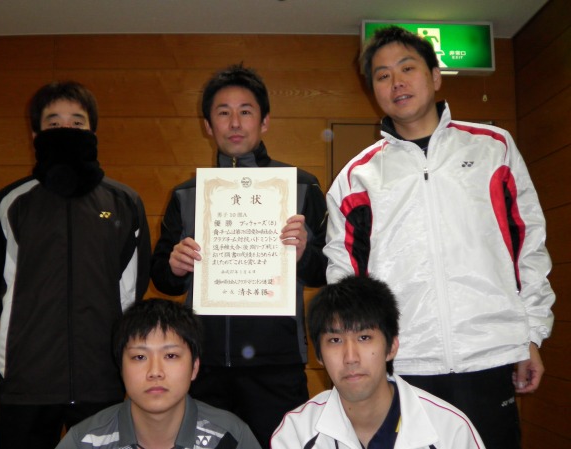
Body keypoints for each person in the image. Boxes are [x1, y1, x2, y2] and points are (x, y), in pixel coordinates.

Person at [323, 26, 555, 449]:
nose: (396, 82)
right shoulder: (357, 178)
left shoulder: (493, 149)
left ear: (434, 76)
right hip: (404, 364)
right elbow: (345, 282)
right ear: (373, 90)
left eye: (407, 68)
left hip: (491, 353)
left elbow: (528, 246)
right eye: (382, 75)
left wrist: (530, 335)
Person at [150, 63, 328, 447]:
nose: (234, 123)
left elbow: (326, 272)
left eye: (245, 111)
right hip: (204, 365)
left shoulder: (301, 186)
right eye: (223, 112)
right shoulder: (187, 194)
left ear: (264, 121)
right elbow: (162, 279)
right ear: (207, 125)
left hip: (277, 364)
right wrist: (175, 266)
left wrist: (304, 253)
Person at [0, 81, 152, 449]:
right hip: (27, 379)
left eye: (77, 122)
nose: (66, 130)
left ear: (93, 131)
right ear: (35, 133)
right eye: (54, 123)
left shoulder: (124, 202)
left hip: (100, 377)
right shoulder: (10, 202)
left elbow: (130, 291)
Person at [271, 275, 486, 449]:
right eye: (335, 340)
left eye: (364, 337)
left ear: (391, 347)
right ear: (318, 355)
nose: (350, 357)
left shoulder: (450, 430)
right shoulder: (297, 433)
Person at [56, 298, 261, 449]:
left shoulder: (231, 437)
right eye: (139, 357)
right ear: (121, 368)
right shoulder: (85, 441)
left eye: (171, 356)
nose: (155, 372)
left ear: (194, 367)